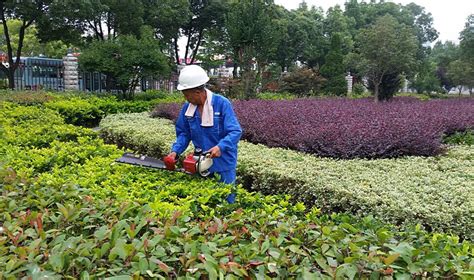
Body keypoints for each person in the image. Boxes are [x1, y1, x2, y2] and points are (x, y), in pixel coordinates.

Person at [164, 65, 242, 203]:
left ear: (198, 91)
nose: (186, 98)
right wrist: (175, 151)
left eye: (187, 94)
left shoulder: (221, 104)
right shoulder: (187, 109)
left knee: (226, 202)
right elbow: (183, 133)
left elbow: (235, 131)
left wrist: (220, 147)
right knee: (205, 204)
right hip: (201, 163)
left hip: (223, 164)